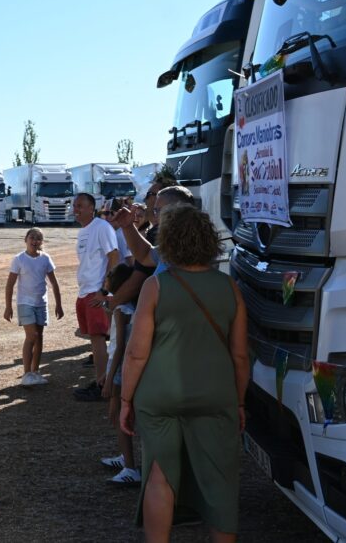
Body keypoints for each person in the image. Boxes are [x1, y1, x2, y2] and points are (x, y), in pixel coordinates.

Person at [119, 204, 250, 542]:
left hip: (160, 394)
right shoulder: (229, 288)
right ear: (209, 241)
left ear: (169, 242)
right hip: (215, 393)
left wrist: (125, 399)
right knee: (220, 480)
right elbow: (240, 356)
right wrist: (238, 401)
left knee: (160, 476)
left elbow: (136, 353)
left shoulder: (156, 286)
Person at [72, 192, 120, 401]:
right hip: (85, 291)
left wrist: (104, 290)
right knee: (94, 339)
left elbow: (114, 257)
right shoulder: (83, 231)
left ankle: (102, 386)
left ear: (92, 208)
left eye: (80, 205)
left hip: (96, 292)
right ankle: (100, 381)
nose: (76, 209)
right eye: (75, 205)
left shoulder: (102, 227)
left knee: (99, 338)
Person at [3, 227, 64, 387]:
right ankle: (26, 374)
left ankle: (35, 372)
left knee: (39, 337)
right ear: (26, 239)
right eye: (32, 237)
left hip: (41, 303)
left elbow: (54, 283)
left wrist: (59, 304)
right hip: (25, 303)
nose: (35, 241)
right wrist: (8, 307)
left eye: (38, 238)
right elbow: (10, 285)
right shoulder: (19, 259)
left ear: (42, 242)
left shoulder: (45, 258)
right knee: (32, 336)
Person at [99, 262, 140, 485]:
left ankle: (130, 466)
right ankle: (125, 458)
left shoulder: (120, 310)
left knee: (117, 416)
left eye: (110, 275)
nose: (106, 278)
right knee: (119, 416)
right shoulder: (127, 307)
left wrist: (109, 377)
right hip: (119, 367)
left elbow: (119, 346)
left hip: (119, 368)